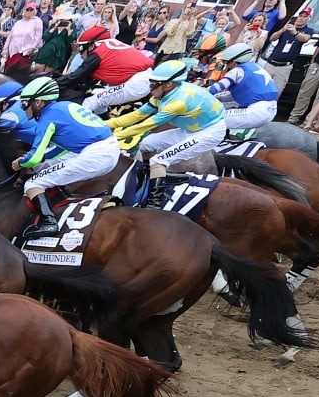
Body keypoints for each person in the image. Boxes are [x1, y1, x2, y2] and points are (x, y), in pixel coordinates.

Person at [13, 76, 119, 238]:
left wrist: (21, 162)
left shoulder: (46, 119)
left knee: (33, 183)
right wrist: (38, 163)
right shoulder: (64, 106)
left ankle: (49, 222)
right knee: (46, 168)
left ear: (38, 102)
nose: (23, 108)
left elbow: (34, 157)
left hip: (95, 154)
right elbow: (58, 151)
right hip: (107, 147)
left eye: (24, 104)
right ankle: (61, 199)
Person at [110, 59, 227, 206]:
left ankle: (154, 202)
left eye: (154, 84)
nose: (150, 88)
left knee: (158, 161)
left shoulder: (178, 103)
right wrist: (103, 125)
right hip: (192, 128)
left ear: (169, 84)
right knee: (145, 143)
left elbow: (144, 126)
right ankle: (145, 178)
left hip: (209, 132)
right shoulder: (163, 93)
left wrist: (112, 137)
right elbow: (137, 115)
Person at [60, 23, 156, 114]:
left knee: (90, 101)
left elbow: (76, 77)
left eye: (81, 49)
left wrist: (53, 83)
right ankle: (103, 120)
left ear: (91, 46)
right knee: (98, 95)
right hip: (145, 76)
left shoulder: (97, 54)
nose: (81, 55)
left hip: (137, 83)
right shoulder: (109, 43)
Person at [208, 43, 280, 133]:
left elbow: (215, 89)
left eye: (226, 63)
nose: (225, 66)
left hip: (256, 112)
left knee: (212, 119)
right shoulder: (255, 67)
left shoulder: (237, 70)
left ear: (233, 62)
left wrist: (198, 92)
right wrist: (219, 97)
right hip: (270, 111)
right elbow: (234, 96)